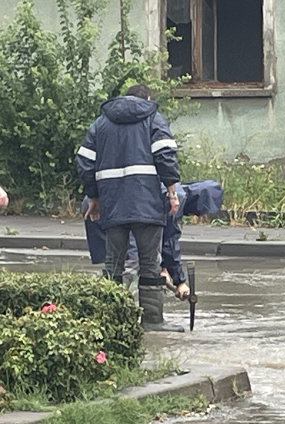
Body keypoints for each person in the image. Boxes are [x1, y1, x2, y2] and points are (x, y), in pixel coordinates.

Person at [76, 83, 186, 332]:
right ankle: (152, 321)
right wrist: (171, 192)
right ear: (147, 98)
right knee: (149, 262)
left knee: (114, 263)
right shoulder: (153, 119)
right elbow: (165, 156)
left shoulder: (101, 124)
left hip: (112, 205)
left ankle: (110, 320)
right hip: (146, 203)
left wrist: (94, 198)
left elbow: (84, 162)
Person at [82, 180, 223, 292]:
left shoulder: (172, 189)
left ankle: (96, 298)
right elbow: (169, 240)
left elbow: (158, 241)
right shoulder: (177, 199)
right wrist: (179, 281)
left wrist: (163, 268)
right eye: (203, 212)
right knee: (130, 264)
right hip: (117, 210)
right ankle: (113, 307)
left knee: (113, 264)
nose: (198, 216)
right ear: (201, 203)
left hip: (97, 202)